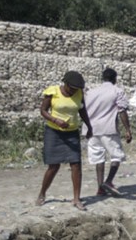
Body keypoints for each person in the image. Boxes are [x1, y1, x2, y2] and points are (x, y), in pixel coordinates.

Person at [37, 71, 94, 210]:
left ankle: (76, 198)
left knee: (76, 164)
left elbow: (82, 111)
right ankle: (42, 193)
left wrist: (89, 126)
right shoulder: (53, 92)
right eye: (72, 88)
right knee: (54, 166)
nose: (74, 90)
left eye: (77, 88)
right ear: (65, 84)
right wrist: (55, 120)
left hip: (72, 133)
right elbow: (43, 110)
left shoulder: (79, 94)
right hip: (53, 132)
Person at [84, 68, 132, 198]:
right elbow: (122, 111)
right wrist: (127, 129)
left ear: (103, 78)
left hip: (92, 129)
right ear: (114, 79)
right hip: (108, 128)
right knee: (117, 156)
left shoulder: (90, 92)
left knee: (98, 158)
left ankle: (100, 188)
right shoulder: (117, 91)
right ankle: (109, 181)